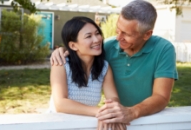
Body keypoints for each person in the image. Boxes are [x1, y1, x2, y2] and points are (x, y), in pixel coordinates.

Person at [50, 0, 178, 129]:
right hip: (67, 123)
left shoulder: (164, 49)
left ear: (147, 34)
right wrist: (62, 50)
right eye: (118, 31)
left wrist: (128, 112)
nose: (118, 38)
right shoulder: (108, 47)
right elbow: (82, 50)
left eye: (126, 34)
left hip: (141, 120)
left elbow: (160, 96)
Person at [49, 16, 126, 130]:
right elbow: (60, 104)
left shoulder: (104, 67)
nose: (96, 39)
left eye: (97, 33)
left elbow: (113, 97)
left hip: (85, 125)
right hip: (59, 124)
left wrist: (112, 110)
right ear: (73, 46)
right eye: (88, 36)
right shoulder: (61, 64)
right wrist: (101, 112)